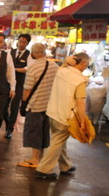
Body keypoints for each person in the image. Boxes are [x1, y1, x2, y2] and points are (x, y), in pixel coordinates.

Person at [35, 52, 91, 180]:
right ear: (83, 63)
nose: (86, 67)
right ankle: (44, 169)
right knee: (57, 142)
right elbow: (80, 103)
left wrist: (66, 62)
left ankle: (65, 165)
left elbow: (64, 65)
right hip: (65, 116)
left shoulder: (61, 71)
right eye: (86, 64)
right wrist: (83, 121)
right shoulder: (80, 80)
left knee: (59, 140)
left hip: (53, 112)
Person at [17, 43, 58, 169]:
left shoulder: (33, 68)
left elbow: (27, 89)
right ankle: (40, 158)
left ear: (33, 53)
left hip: (35, 105)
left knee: (34, 131)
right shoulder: (54, 66)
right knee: (44, 131)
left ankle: (34, 159)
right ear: (44, 52)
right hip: (48, 105)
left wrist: (23, 103)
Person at [4, 34, 31, 138]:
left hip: (19, 85)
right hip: (7, 83)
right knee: (3, 107)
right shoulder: (10, 52)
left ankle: (10, 129)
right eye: (20, 41)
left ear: (27, 43)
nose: (21, 44)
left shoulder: (29, 55)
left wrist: (13, 70)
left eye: (24, 42)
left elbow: (27, 69)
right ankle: (8, 122)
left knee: (14, 107)